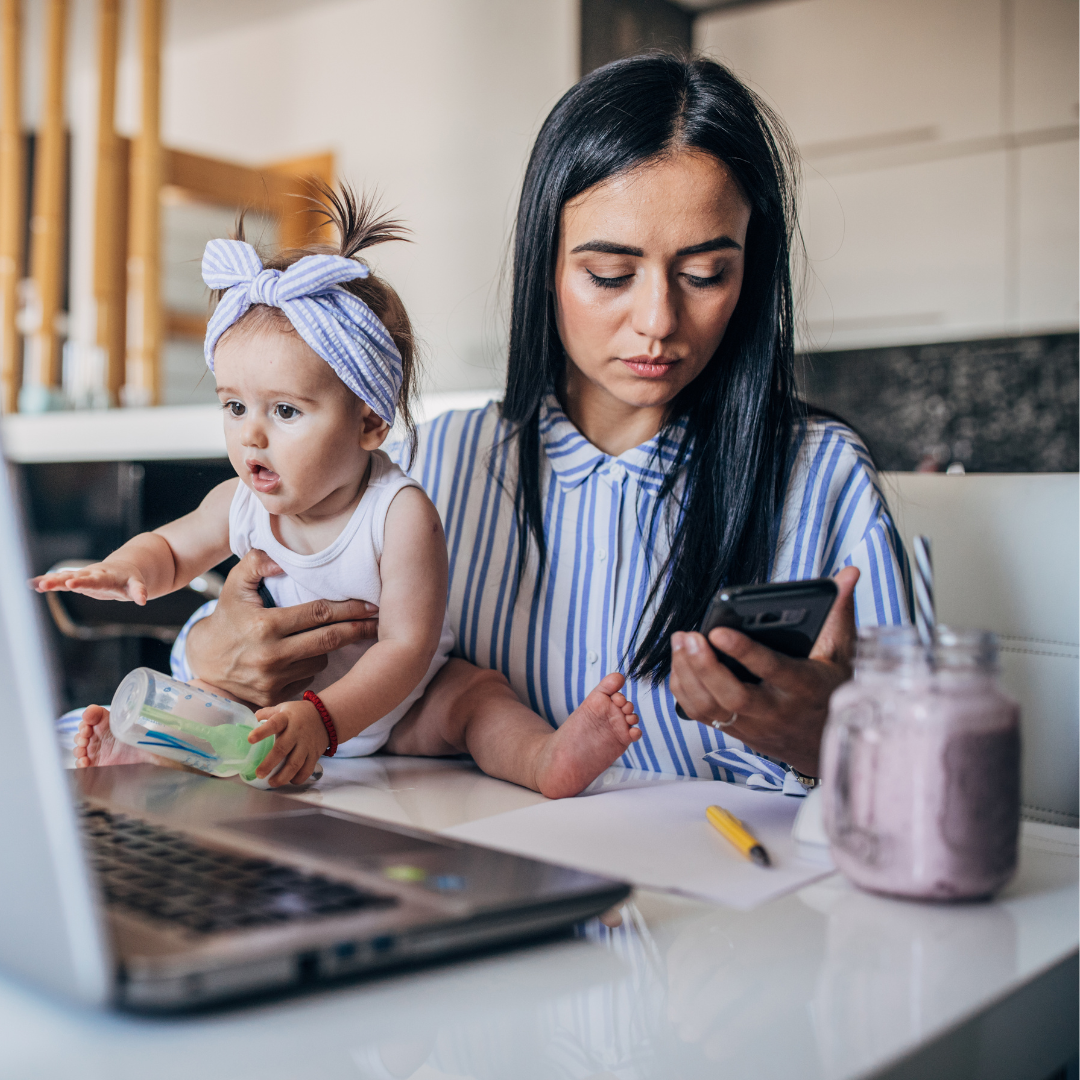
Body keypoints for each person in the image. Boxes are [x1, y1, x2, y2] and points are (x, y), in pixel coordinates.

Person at [169, 55, 908, 788]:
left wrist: (824, 741)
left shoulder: (822, 476)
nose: (657, 321)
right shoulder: (433, 464)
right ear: (544, 264)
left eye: (705, 274)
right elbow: (236, 666)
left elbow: (931, 784)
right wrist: (210, 654)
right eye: (610, 276)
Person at [41, 187, 641, 789]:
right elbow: (172, 550)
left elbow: (406, 649)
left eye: (285, 411)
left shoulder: (400, 514)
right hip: (278, 703)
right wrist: (124, 569)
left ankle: (545, 760)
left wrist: (324, 720)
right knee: (200, 700)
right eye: (234, 405)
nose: (251, 436)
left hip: (399, 704)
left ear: (369, 423)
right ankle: (141, 752)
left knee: (475, 698)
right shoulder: (241, 502)